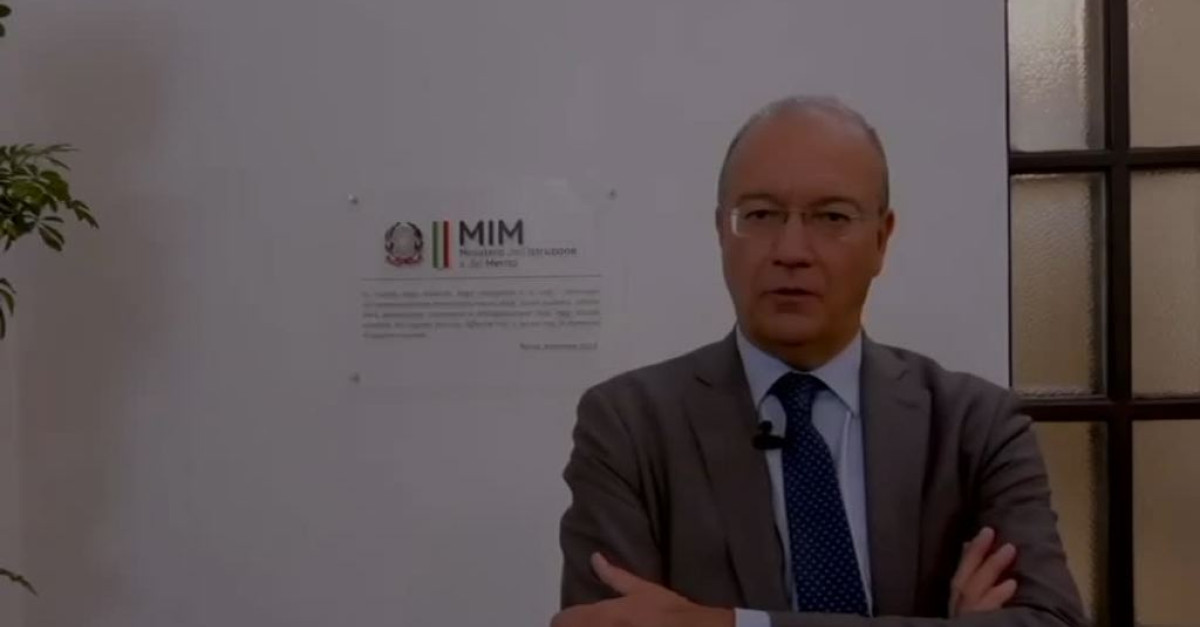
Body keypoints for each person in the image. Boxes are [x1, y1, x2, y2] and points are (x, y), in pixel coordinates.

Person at [552, 96, 1087, 627]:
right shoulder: (629, 426)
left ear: (881, 239)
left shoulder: (975, 426)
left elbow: (1052, 623)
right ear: (720, 231)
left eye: (832, 217)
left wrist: (728, 624)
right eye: (760, 215)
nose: (791, 250)